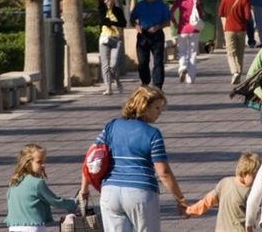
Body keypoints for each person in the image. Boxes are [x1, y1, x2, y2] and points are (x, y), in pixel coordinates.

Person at [80, 86, 187, 231]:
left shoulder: (111, 126)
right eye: (157, 108)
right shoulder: (153, 134)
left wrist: (84, 191)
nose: (160, 113)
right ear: (144, 107)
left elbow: (91, 158)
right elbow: (164, 173)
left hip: (110, 192)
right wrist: (180, 199)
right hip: (140, 192)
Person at [4, 144, 78, 232]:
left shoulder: (14, 182)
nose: (43, 165)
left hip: (13, 227)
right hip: (33, 228)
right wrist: (75, 202)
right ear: (27, 163)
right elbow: (55, 201)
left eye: (44, 161)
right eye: (39, 162)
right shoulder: (37, 183)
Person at [185, 152, 262, 232]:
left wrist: (191, 210)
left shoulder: (224, 182)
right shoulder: (249, 193)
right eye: (254, 177)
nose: (256, 181)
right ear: (244, 173)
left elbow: (207, 201)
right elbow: (253, 216)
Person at [130, 0, 171, 89]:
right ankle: (145, 81)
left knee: (158, 61)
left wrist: (158, 27)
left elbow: (167, 21)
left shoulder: (161, 6)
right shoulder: (140, 5)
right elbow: (132, 18)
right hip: (143, 34)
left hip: (156, 35)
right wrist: (137, 26)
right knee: (142, 61)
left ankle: (157, 85)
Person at [219, 0, 252, 85]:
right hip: (241, 29)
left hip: (229, 29)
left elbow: (221, 13)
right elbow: (247, 16)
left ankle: (235, 71)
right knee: (240, 52)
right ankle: (239, 73)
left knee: (230, 52)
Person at [170, 0, 203, 84]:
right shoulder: (195, 0)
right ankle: (190, 79)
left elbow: (171, 12)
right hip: (194, 30)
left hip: (182, 29)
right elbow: (201, 15)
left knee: (182, 51)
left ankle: (182, 67)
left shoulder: (179, 0)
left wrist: (175, 23)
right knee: (192, 54)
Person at [98, 0, 127, 95]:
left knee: (113, 64)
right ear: (104, 0)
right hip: (105, 38)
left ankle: (117, 81)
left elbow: (123, 23)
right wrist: (115, 27)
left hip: (117, 39)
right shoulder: (102, 10)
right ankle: (108, 87)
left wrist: (114, 24)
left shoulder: (118, 11)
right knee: (105, 65)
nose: (109, 0)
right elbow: (103, 21)